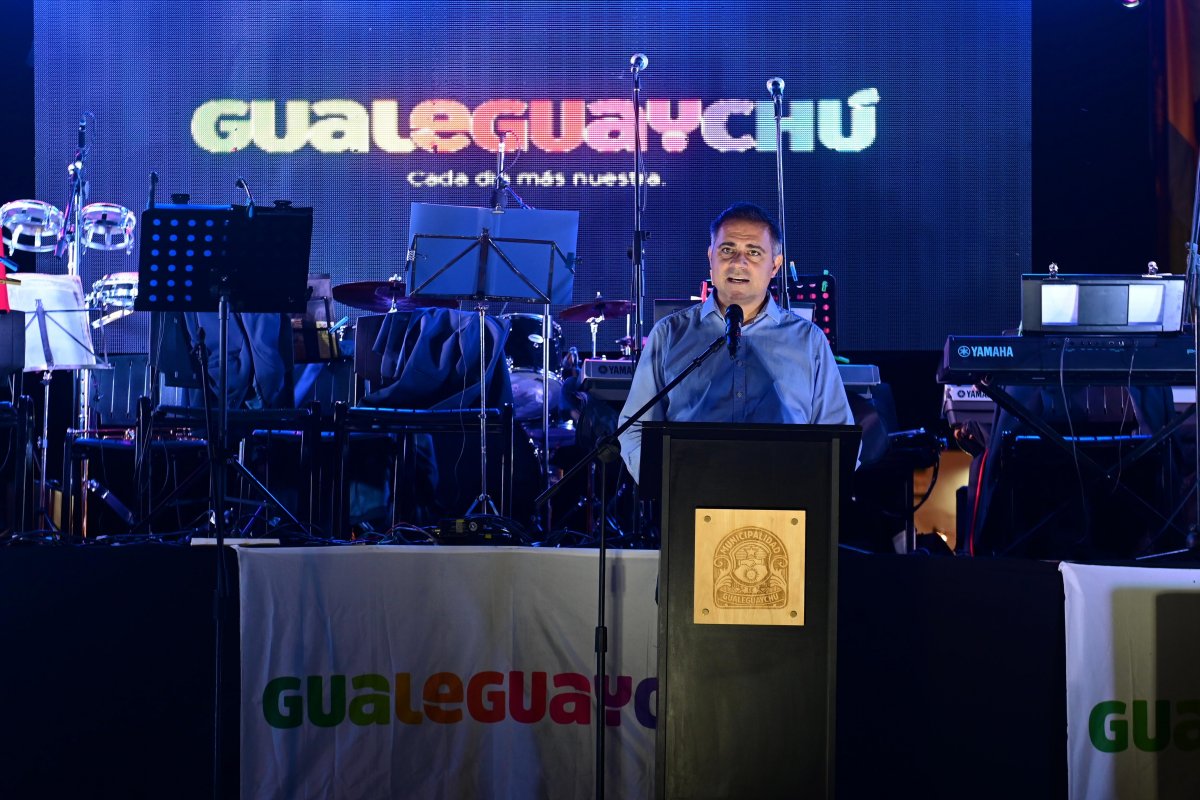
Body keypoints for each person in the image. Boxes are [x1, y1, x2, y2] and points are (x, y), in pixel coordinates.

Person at [617, 202, 854, 482]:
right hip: (691, 495)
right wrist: (669, 485)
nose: (738, 262)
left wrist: (807, 491)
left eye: (754, 252)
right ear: (711, 257)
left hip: (784, 497)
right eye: (727, 250)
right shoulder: (669, 334)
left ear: (775, 265)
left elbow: (840, 436)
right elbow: (634, 430)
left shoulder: (808, 341)